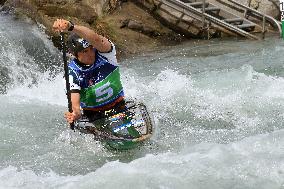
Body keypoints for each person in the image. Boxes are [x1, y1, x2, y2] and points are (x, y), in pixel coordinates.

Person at [53, 19, 125, 124]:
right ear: (74, 54)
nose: (91, 53)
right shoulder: (72, 73)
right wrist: (75, 114)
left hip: (119, 105)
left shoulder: (105, 54)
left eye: (91, 48)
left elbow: (96, 39)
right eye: (85, 51)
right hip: (94, 115)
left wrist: (71, 27)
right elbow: (76, 106)